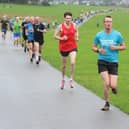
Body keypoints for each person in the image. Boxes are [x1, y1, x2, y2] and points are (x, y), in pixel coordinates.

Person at [92, 16, 126, 111]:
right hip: (102, 61)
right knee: (107, 83)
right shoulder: (99, 35)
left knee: (113, 85)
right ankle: (107, 103)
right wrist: (98, 50)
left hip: (113, 62)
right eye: (107, 22)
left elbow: (124, 46)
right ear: (104, 23)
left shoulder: (117, 35)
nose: (108, 23)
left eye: (110, 22)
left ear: (112, 23)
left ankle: (114, 88)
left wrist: (116, 48)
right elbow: (93, 47)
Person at [54, 12, 79, 90]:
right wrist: (61, 38)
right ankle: (63, 79)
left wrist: (77, 37)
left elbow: (77, 31)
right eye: (67, 18)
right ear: (64, 18)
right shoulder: (60, 26)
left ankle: (71, 79)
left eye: (70, 18)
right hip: (63, 47)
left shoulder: (74, 25)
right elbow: (54, 36)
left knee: (72, 62)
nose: (69, 20)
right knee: (64, 66)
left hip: (72, 46)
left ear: (71, 19)